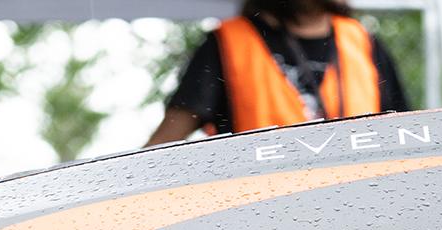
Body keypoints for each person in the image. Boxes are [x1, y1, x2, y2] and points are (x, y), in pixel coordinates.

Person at [147, 1, 410, 145]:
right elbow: (165, 142)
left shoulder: (363, 41)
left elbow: (404, 137)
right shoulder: (227, 42)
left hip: (358, 215)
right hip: (263, 218)